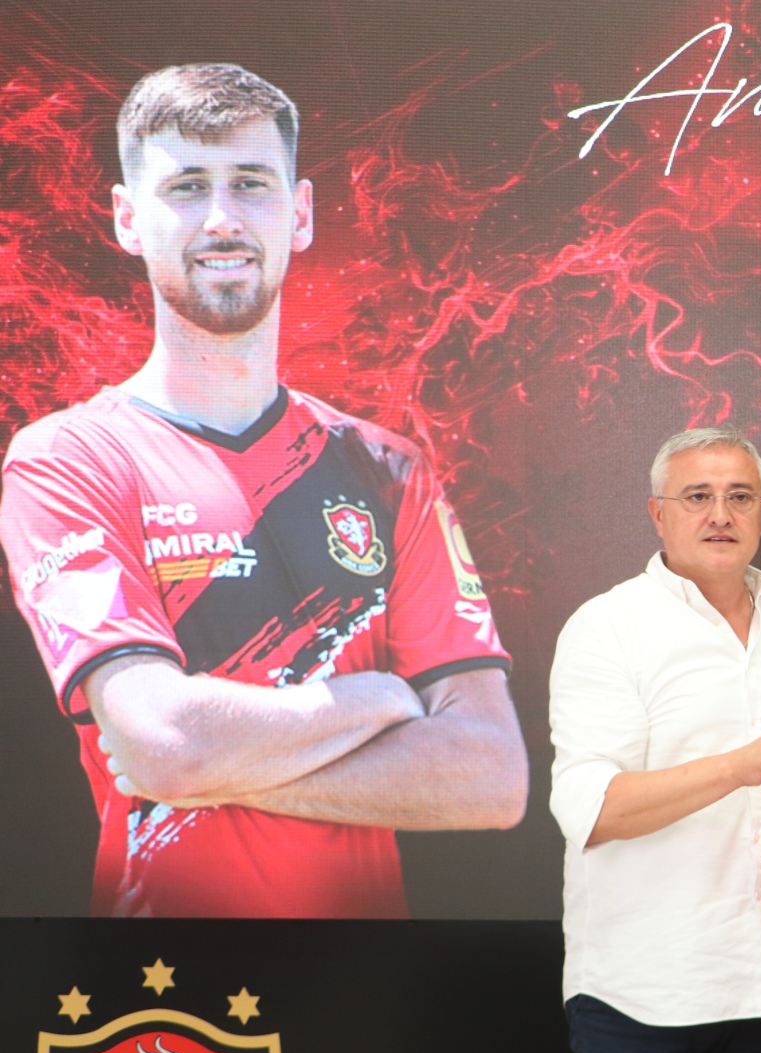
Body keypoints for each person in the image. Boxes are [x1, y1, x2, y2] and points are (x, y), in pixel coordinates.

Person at [0, 64, 526, 918]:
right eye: (186, 187)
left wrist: (211, 763)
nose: (222, 218)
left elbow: (491, 777)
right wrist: (380, 700)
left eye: (250, 183)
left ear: (300, 213)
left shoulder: (390, 471)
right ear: (128, 219)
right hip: (165, 983)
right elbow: (162, 742)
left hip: (366, 981)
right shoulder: (68, 461)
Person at [547, 427, 761, 1053]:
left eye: (739, 497)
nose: (720, 515)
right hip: (643, 994)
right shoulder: (608, 627)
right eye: (697, 497)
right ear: (657, 514)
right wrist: (740, 765)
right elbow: (591, 810)